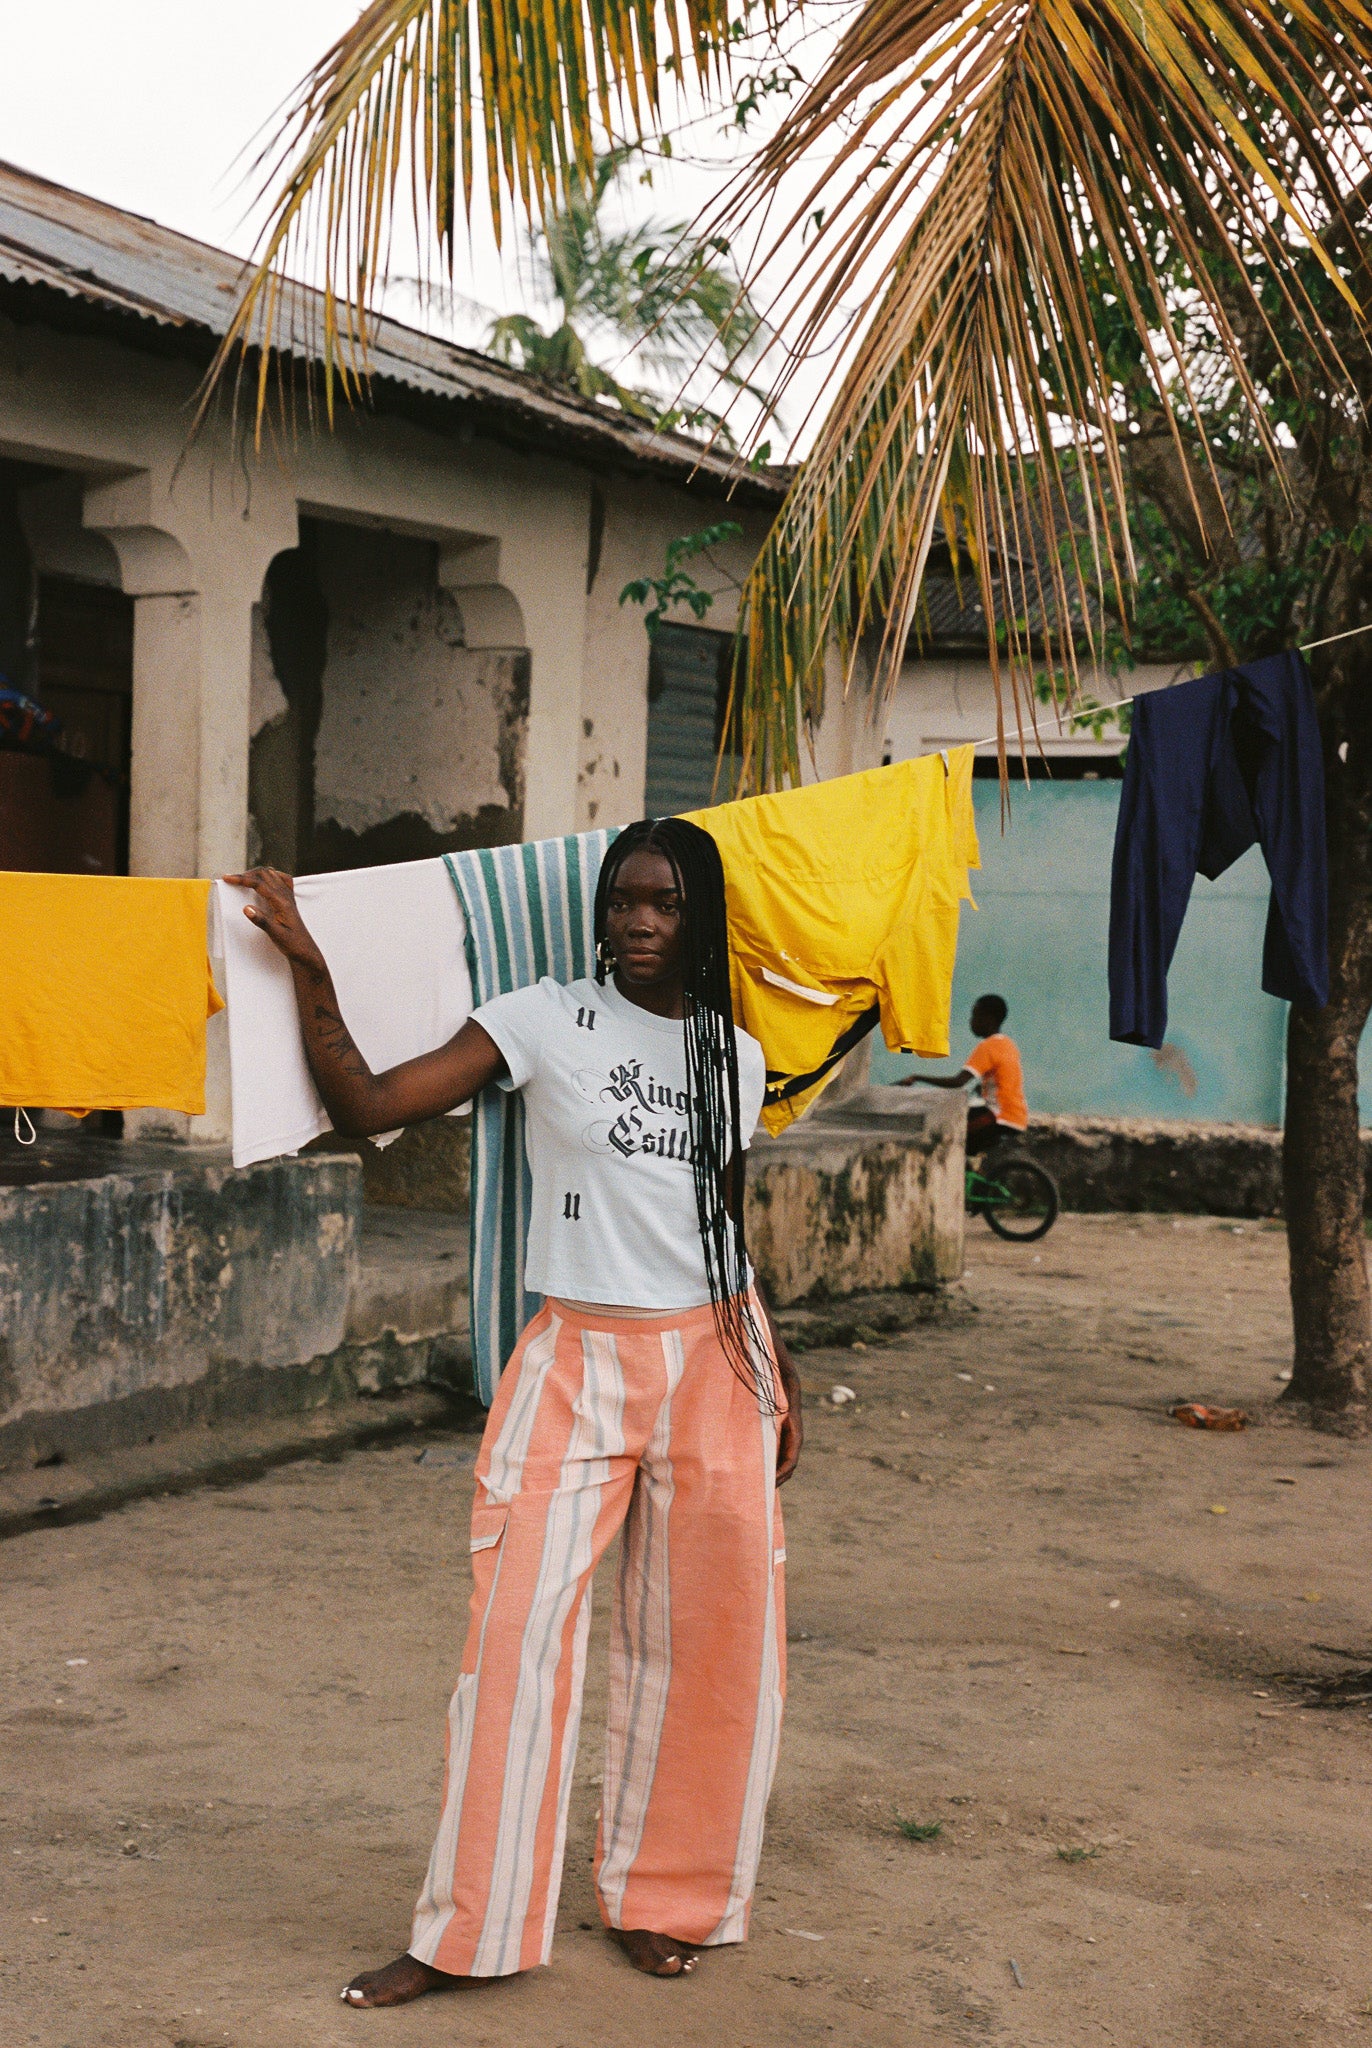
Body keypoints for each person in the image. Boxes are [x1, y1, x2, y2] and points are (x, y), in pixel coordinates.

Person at [226, 817, 803, 2009]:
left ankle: (667, 1896)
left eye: (664, 903)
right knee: (513, 1638)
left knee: (714, 1637)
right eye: (622, 900)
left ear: (699, 916)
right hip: (577, 1356)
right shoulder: (542, 1018)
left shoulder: (733, 1053)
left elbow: (721, 1213)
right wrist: (311, 964)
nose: (638, 922)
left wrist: (771, 1356)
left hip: (716, 1356)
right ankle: (467, 1930)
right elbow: (368, 1101)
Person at [900, 992, 1029, 1153]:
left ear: (988, 1019)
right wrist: (981, 1089)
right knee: (964, 1139)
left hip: (998, 1117)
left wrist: (917, 1077)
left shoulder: (988, 1046)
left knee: (946, 1132)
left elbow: (958, 1082)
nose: (971, 1021)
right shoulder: (1008, 1044)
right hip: (1017, 1118)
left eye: (975, 1016)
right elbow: (1003, 1081)